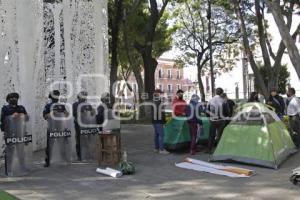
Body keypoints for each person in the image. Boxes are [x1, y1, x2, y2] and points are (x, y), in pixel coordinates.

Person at [1, 93, 29, 175]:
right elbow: (2, 120)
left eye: (15, 97)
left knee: (21, 151)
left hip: (20, 132)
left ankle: (22, 167)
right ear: (8, 100)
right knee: (9, 152)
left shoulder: (21, 108)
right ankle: (8, 170)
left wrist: (20, 115)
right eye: (12, 98)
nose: (14, 99)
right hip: (10, 133)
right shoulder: (5, 108)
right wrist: (11, 117)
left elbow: (27, 118)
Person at [43, 90, 68, 167]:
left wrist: (64, 113)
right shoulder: (47, 106)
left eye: (57, 95)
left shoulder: (62, 106)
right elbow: (45, 116)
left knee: (62, 143)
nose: (56, 97)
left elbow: (67, 115)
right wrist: (51, 113)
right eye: (55, 95)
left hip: (61, 127)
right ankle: (48, 161)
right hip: (51, 127)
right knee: (50, 144)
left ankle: (63, 159)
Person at [72, 91, 94, 161]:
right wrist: (82, 112)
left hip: (87, 124)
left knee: (87, 139)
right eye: (82, 96)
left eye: (85, 96)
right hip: (78, 125)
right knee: (79, 139)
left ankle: (87, 154)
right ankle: (79, 156)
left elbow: (92, 113)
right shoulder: (75, 104)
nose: (84, 98)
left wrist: (92, 112)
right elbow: (74, 114)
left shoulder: (88, 104)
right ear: (79, 97)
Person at [206, 88, 226, 154]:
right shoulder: (223, 100)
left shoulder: (211, 100)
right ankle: (220, 150)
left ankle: (209, 150)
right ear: (222, 93)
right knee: (220, 135)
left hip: (213, 120)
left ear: (215, 92)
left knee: (211, 135)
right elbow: (227, 111)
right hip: (221, 120)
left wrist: (209, 118)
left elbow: (207, 110)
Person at [152, 89, 169, 154]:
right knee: (161, 135)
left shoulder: (154, 101)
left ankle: (156, 148)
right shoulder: (158, 102)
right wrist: (164, 121)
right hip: (159, 121)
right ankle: (161, 149)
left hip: (154, 120)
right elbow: (161, 113)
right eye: (161, 93)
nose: (162, 95)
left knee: (156, 134)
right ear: (158, 94)